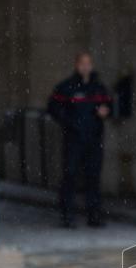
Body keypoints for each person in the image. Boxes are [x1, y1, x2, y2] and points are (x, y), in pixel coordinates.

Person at [48, 51, 111, 228]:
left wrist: (105, 111)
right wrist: (69, 122)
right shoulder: (66, 87)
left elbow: (109, 106)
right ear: (77, 65)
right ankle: (67, 216)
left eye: (88, 63)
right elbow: (53, 107)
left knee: (93, 177)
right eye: (82, 63)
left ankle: (94, 215)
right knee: (70, 176)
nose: (85, 66)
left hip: (94, 139)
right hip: (73, 140)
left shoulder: (98, 87)